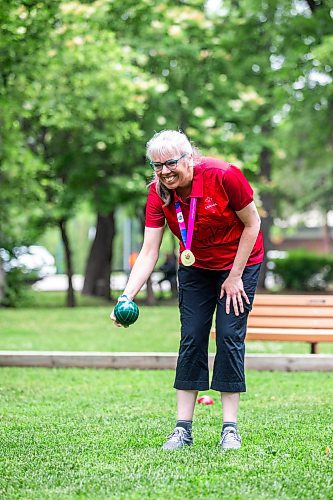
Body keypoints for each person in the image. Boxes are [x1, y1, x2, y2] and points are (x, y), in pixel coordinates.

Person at [110, 130, 264, 451]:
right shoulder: (158, 193)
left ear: (189, 157)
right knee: (192, 336)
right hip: (195, 264)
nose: (164, 172)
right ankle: (182, 429)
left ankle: (230, 428)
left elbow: (252, 224)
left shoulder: (225, 176)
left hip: (240, 262)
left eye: (170, 163)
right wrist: (126, 295)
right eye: (157, 166)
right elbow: (149, 250)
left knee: (228, 335)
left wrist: (235, 276)